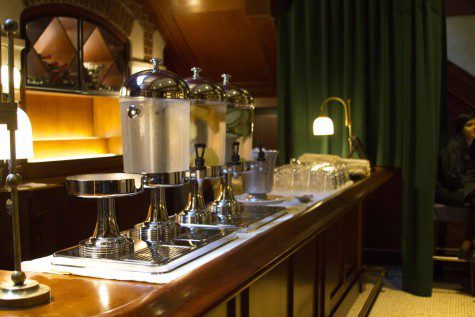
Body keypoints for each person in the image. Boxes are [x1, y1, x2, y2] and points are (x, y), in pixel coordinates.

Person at [436, 113, 475, 260]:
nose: (474, 128)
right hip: (443, 190)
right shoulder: (452, 146)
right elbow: (452, 179)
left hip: (458, 187)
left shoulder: (470, 145)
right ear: (460, 129)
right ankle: (468, 242)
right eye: (469, 125)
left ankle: (468, 242)